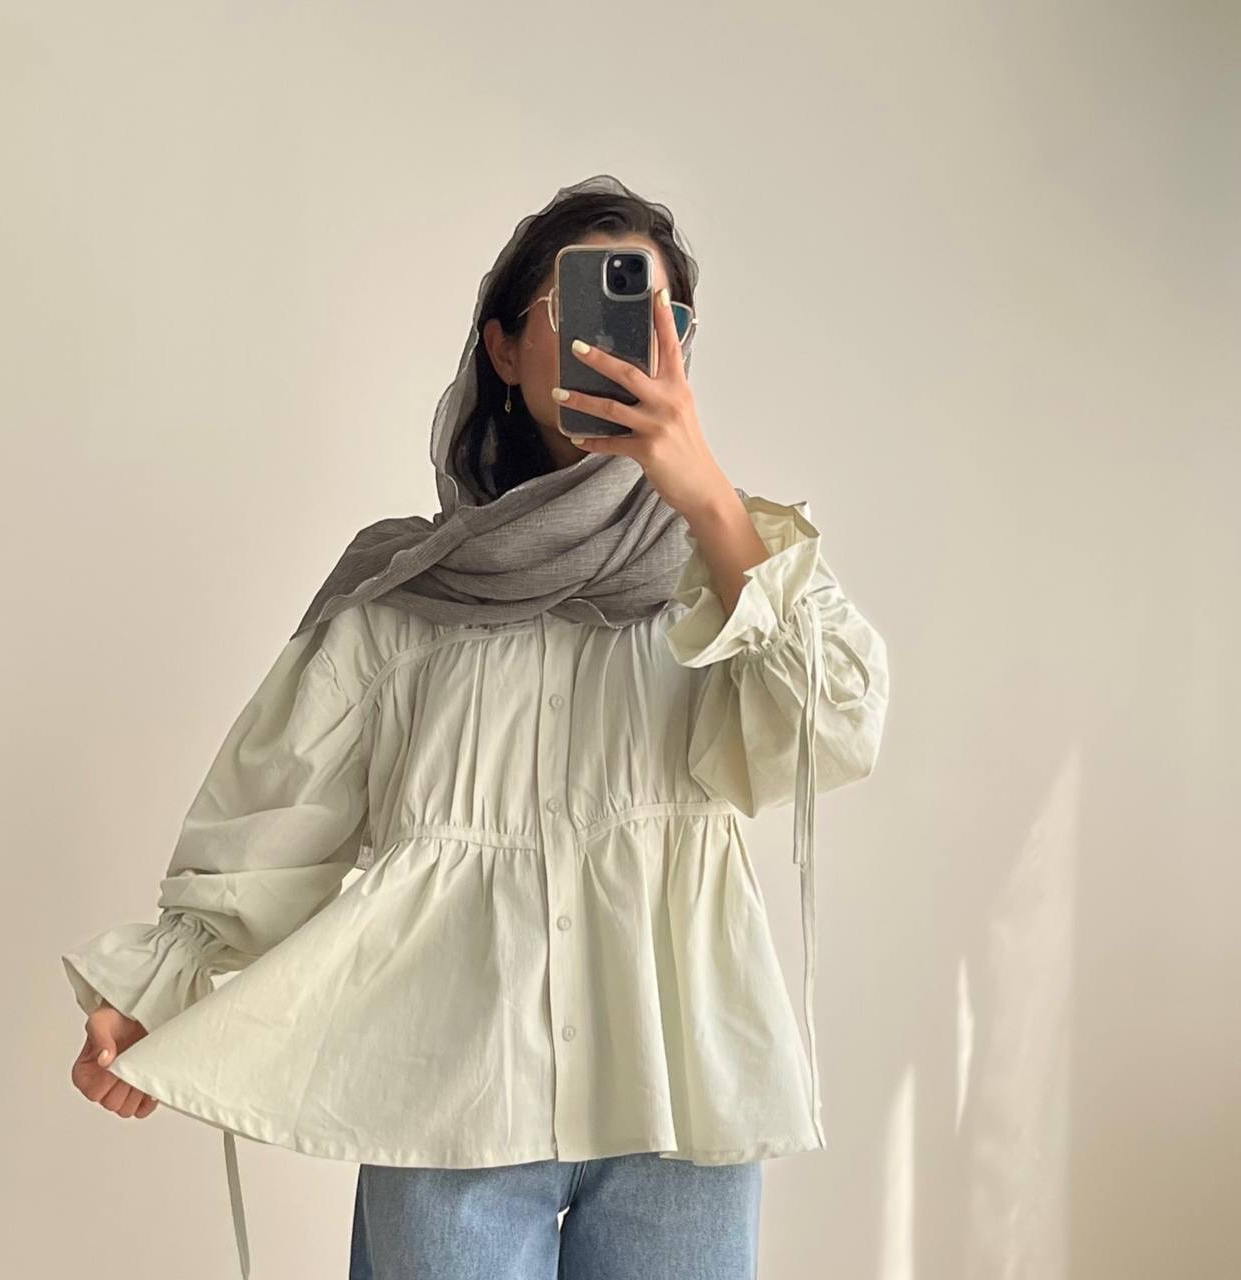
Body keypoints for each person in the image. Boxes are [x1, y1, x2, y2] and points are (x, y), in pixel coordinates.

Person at [63, 173, 890, 1280]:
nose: (622, 341)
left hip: (681, 1100)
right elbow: (275, 817)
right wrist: (154, 987)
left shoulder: (723, 575)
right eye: (584, 305)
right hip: (448, 1100)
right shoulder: (403, 593)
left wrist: (706, 497)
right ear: (503, 347)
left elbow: (838, 724)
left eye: (659, 316)